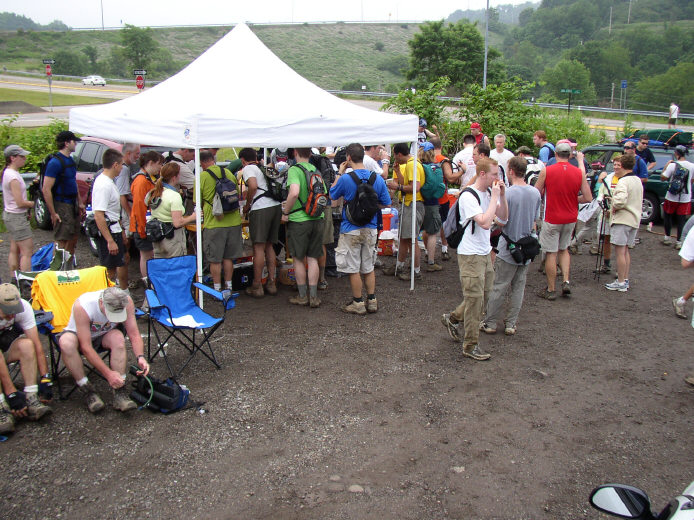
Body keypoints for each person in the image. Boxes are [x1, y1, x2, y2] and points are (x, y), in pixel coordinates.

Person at [441, 158, 507, 361]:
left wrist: (501, 197)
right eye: (495, 174)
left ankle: (452, 318)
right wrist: (495, 195)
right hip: (470, 255)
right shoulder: (469, 197)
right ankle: (470, 345)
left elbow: (503, 220)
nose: (499, 178)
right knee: (475, 300)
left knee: (483, 297)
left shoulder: (489, 193)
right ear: (482, 174)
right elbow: (486, 223)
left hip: (485, 252)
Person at [58, 287, 149, 414]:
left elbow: (133, 333)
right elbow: (86, 347)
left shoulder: (126, 301)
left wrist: (141, 357)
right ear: (102, 303)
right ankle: (87, 389)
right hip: (79, 336)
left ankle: (119, 390)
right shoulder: (83, 306)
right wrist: (108, 374)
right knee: (66, 343)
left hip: (104, 334)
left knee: (118, 338)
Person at [481, 157, 541, 336]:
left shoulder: (507, 193)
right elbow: (535, 220)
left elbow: (501, 220)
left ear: (511, 171)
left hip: (508, 245)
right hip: (527, 246)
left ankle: (490, 322)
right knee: (518, 287)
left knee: (499, 285)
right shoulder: (535, 193)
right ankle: (511, 323)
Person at [329, 143, 391, 314]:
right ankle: (372, 300)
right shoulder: (377, 178)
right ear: (362, 156)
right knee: (368, 266)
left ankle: (357, 303)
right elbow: (387, 202)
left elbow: (332, 195)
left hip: (351, 228)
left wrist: (340, 173)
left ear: (348, 158)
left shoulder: (346, 179)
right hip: (370, 228)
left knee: (353, 267)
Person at [534, 142, 592, 300]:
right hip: (570, 216)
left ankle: (551, 289)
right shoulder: (579, 173)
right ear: (570, 155)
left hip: (552, 216)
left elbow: (537, 192)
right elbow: (588, 197)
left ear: (556, 155)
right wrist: (574, 199)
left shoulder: (547, 170)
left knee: (551, 252)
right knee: (564, 249)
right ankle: (566, 280)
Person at [0, 284, 52, 432]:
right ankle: (2, 406)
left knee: (27, 345)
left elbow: (36, 344)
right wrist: (11, 394)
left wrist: (45, 378)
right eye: (7, 312)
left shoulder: (23, 307)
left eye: (13, 312)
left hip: (6, 347)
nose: (11, 316)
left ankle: (31, 398)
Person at [282, 147, 326, 308]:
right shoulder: (316, 170)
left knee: (299, 258)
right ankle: (313, 297)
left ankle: (302, 296)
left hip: (299, 219)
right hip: (317, 217)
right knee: (313, 257)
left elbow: (294, 192)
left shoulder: (294, 170)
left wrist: (286, 211)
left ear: (295, 152)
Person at [198, 150, 243, 294]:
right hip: (233, 221)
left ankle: (217, 288)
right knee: (228, 257)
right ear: (214, 159)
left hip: (214, 223)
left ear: (202, 162)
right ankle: (228, 287)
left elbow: (196, 201)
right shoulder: (229, 173)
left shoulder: (202, 176)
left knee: (215, 259)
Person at [240, 148, 281, 297]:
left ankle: (257, 285)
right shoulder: (263, 167)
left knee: (258, 247)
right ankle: (271, 282)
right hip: (275, 206)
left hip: (260, 208)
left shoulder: (248, 168)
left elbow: (252, 186)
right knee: (270, 245)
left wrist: (247, 205)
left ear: (243, 160)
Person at [383, 142, 426, 281]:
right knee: (404, 238)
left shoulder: (412, 164)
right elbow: (406, 183)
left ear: (399, 154)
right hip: (408, 204)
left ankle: (416, 272)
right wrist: (397, 173)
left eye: (395, 156)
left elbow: (415, 187)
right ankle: (399, 267)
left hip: (413, 204)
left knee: (411, 239)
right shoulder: (409, 164)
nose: (395, 159)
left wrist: (397, 186)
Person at [603, 153, 643, 292]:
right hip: (634, 219)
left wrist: (612, 203)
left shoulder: (623, 182)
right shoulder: (637, 180)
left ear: (623, 166)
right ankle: (624, 278)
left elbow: (620, 201)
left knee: (620, 251)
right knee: (626, 250)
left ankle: (620, 282)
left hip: (623, 219)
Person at [42, 130, 85, 256]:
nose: (76, 144)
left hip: (73, 204)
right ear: (67, 143)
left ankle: (68, 267)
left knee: (73, 237)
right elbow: (46, 189)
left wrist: (80, 202)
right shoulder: (55, 163)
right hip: (62, 203)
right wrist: (53, 213)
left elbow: (73, 182)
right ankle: (58, 271)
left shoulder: (70, 160)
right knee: (62, 238)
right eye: (74, 141)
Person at [92, 148, 128, 290]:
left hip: (115, 228)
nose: (122, 168)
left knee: (120, 262)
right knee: (109, 270)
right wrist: (110, 240)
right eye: (121, 165)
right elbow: (99, 215)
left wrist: (121, 231)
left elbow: (114, 211)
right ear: (115, 165)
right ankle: (103, 297)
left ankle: (115, 292)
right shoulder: (103, 185)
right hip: (109, 231)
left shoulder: (109, 182)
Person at [129, 150, 164, 291]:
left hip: (147, 224)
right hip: (142, 225)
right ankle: (148, 283)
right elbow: (138, 207)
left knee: (150, 254)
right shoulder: (141, 181)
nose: (160, 168)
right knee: (146, 255)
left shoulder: (149, 178)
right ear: (150, 163)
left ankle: (151, 281)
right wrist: (142, 229)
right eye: (159, 164)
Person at [148, 162, 198, 259]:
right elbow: (177, 223)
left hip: (157, 236)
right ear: (175, 177)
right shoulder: (174, 196)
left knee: (161, 266)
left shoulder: (154, 191)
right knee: (175, 267)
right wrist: (193, 217)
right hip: (172, 238)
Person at [2, 145, 34, 272]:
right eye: (22, 157)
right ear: (12, 158)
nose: (24, 159)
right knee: (27, 252)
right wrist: (33, 204)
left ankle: (14, 278)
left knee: (14, 249)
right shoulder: (13, 177)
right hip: (16, 218)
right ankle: (26, 281)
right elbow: (20, 202)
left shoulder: (8, 173)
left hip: (10, 215)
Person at [660, 145, 694, 249]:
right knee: (681, 219)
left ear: (676, 153)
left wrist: (666, 166)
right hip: (685, 197)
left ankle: (667, 238)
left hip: (671, 196)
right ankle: (679, 241)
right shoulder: (692, 166)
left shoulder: (672, 165)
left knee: (668, 216)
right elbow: (692, 180)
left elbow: (663, 178)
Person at [418, 143, 444, 271]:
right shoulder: (436, 167)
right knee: (433, 232)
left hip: (419, 201)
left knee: (422, 230)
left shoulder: (419, 167)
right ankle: (431, 261)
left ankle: (420, 259)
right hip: (433, 202)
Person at [431, 136, 455, 261]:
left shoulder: (426, 159)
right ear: (441, 147)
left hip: (429, 197)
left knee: (429, 227)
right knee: (443, 224)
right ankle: (444, 250)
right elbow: (450, 178)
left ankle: (429, 254)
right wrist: (462, 172)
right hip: (443, 197)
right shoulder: (444, 160)